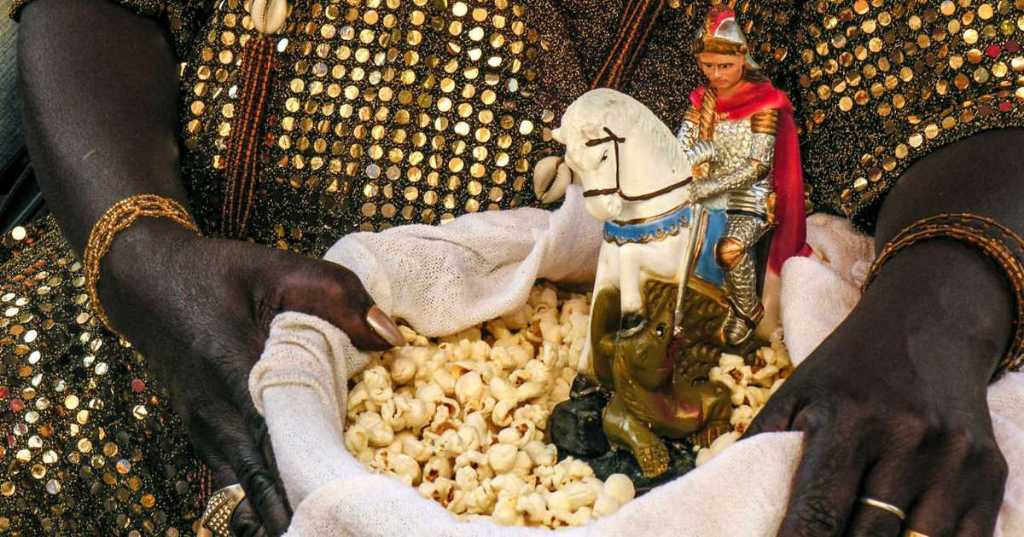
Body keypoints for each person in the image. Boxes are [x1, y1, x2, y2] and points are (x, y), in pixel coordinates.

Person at [2, 1, 1021, 537]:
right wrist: (136, 246)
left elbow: (981, 90)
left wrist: (931, 318)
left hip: (653, 388)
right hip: (155, 338)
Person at [676, 5, 812, 345]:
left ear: (742, 59)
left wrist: (711, 185)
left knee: (729, 250)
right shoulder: (702, 101)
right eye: (708, 65)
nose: (717, 74)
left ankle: (746, 310)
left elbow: (758, 165)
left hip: (747, 197)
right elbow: (679, 148)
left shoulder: (764, 104)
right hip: (697, 188)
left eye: (725, 66)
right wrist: (691, 158)